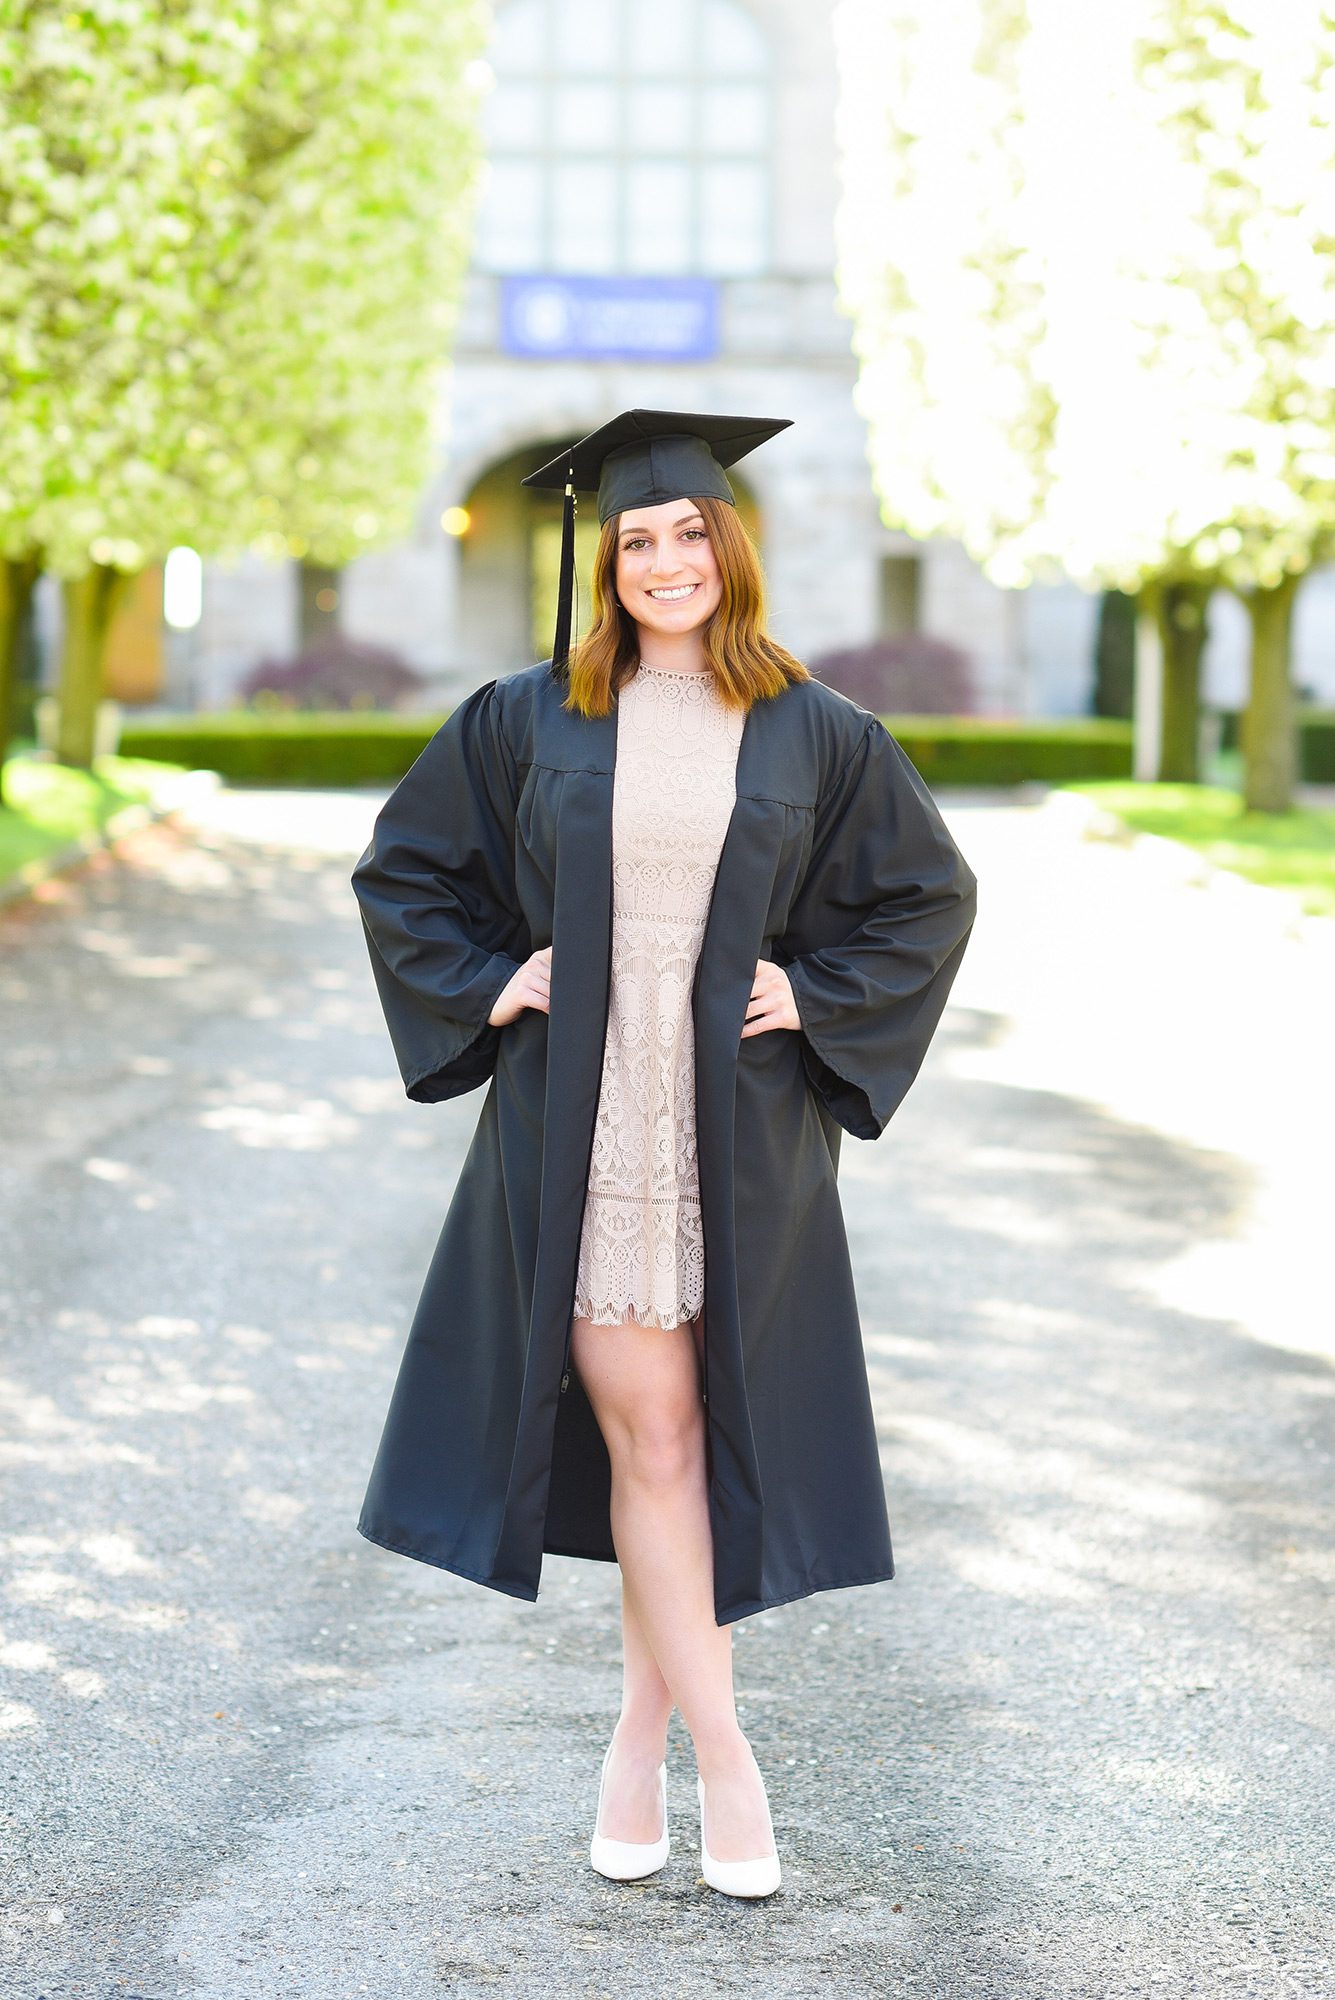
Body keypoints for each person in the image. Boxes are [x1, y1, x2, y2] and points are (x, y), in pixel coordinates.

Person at [350, 409, 978, 1900]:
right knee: (657, 1437)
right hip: (585, 1121)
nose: (664, 560)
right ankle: (732, 1764)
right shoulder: (528, 716)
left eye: (690, 532)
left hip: (739, 1137)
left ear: (732, 547)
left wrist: (816, 995)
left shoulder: (819, 730)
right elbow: (406, 868)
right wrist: (493, 982)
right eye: (636, 540)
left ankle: (639, 1746)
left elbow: (927, 897)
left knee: (690, 1448)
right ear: (606, 564)